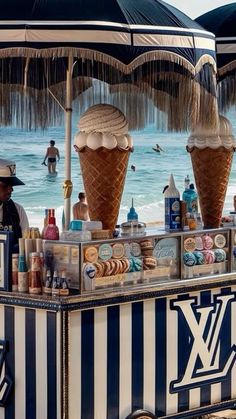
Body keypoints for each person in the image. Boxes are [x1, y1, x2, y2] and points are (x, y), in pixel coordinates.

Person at [0, 159, 29, 245]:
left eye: (11, 185)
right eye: (5, 186)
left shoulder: (17, 210)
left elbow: (26, 242)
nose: (11, 190)